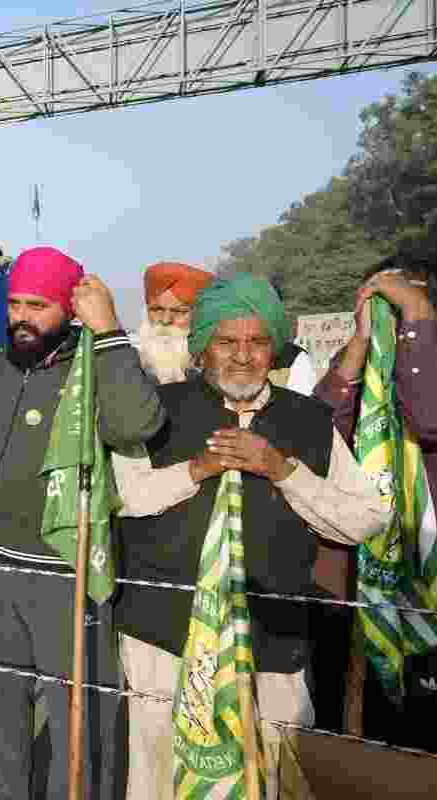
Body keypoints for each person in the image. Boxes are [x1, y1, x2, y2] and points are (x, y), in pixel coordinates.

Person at [112, 273, 388, 800]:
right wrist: (196, 469)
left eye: (257, 341)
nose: (243, 356)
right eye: (227, 341)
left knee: (276, 774)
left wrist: (283, 470)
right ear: (203, 346)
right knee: (161, 777)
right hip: (164, 638)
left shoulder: (307, 421)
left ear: (274, 349)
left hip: (273, 639)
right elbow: (122, 498)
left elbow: (367, 517)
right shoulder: (158, 412)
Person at [0, 246, 164, 800]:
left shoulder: (97, 360)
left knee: (78, 706)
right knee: (0, 701)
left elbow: (136, 426)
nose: (23, 317)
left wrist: (110, 331)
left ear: (71, 309)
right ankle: (10, 790)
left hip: (63, 569)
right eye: (17, 302)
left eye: (39, 305)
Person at [315, 252, 437, 750]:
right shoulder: (378, 370)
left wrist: (417, 317)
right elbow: (318, 434)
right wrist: (358, 346)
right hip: (369, 585)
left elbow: (436, 416)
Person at [135, 261, 214, 384]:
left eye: (179, 311)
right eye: (157, 310)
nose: (166, 320)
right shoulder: (129, 371)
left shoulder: (220, 374)